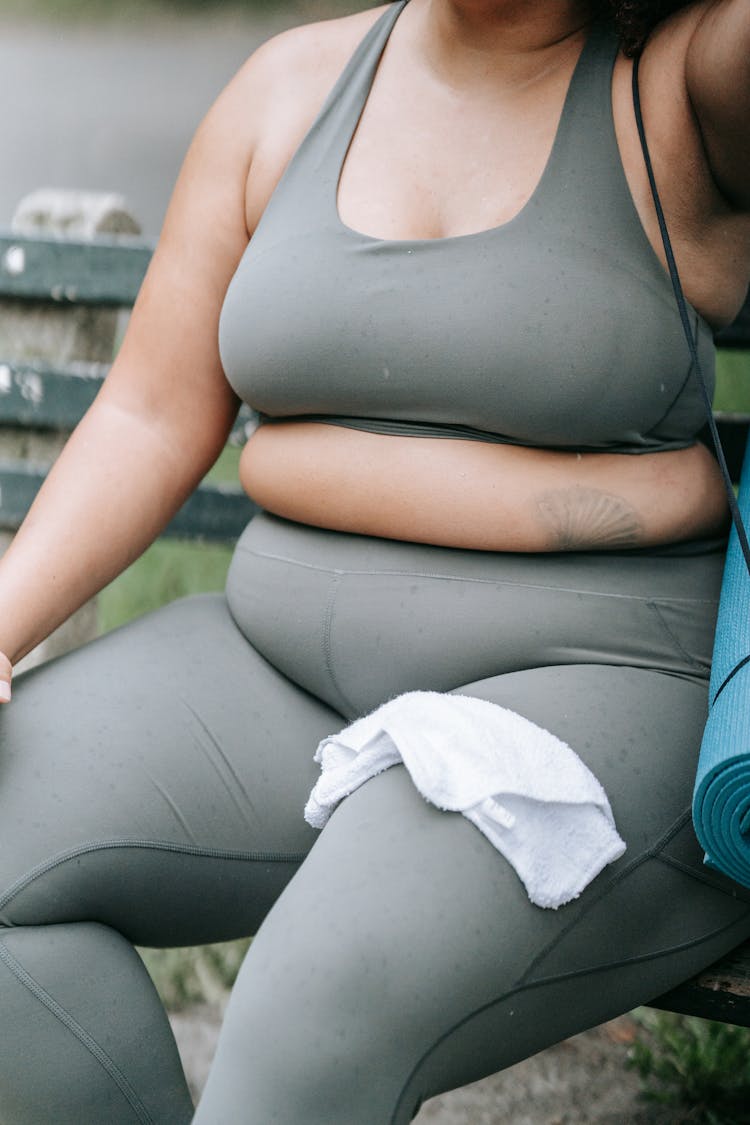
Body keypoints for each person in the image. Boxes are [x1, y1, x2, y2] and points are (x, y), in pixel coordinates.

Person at [0, 0, 748, 1121]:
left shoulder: (686, 87)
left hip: (593, 689)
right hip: (274, 667)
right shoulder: (288, 86)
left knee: (309, 1014)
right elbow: (153, 412)